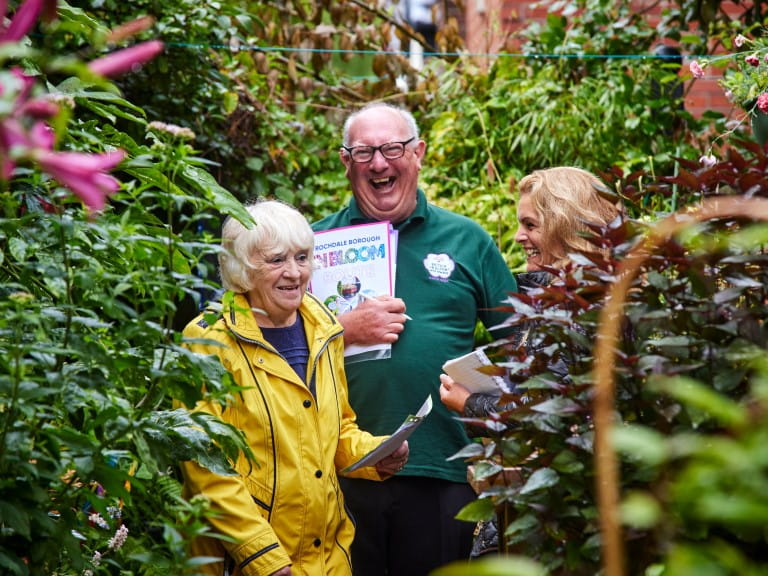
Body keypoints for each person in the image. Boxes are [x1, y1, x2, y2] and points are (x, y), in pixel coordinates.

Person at [311, 102, 518, 575]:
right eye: (364, 152)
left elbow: (521, 343)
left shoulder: (467, 240)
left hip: (442, 467)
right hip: (339, 472)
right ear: (346, 161)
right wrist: (342, 330)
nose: (379, 163)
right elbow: (273, 346)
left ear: (419, 153)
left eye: (393, 148)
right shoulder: (312, 246)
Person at [179, 199, 409, 576]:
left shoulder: (324, 328)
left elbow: (335, 432)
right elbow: (206, 466)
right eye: (276, 260)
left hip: (328, 560)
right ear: (243, 266)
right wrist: (263, 557)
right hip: (248, 564)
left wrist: (375, 453)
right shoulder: (207, 340)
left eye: (302, 257)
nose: (294, 272)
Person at [439, 166, 624, 558]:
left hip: (562, 523)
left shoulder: (582, 309)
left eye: (531, 225)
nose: (520, 237)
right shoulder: (558, 300)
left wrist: (470, 403)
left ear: (564, 226)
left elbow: (549, 418)